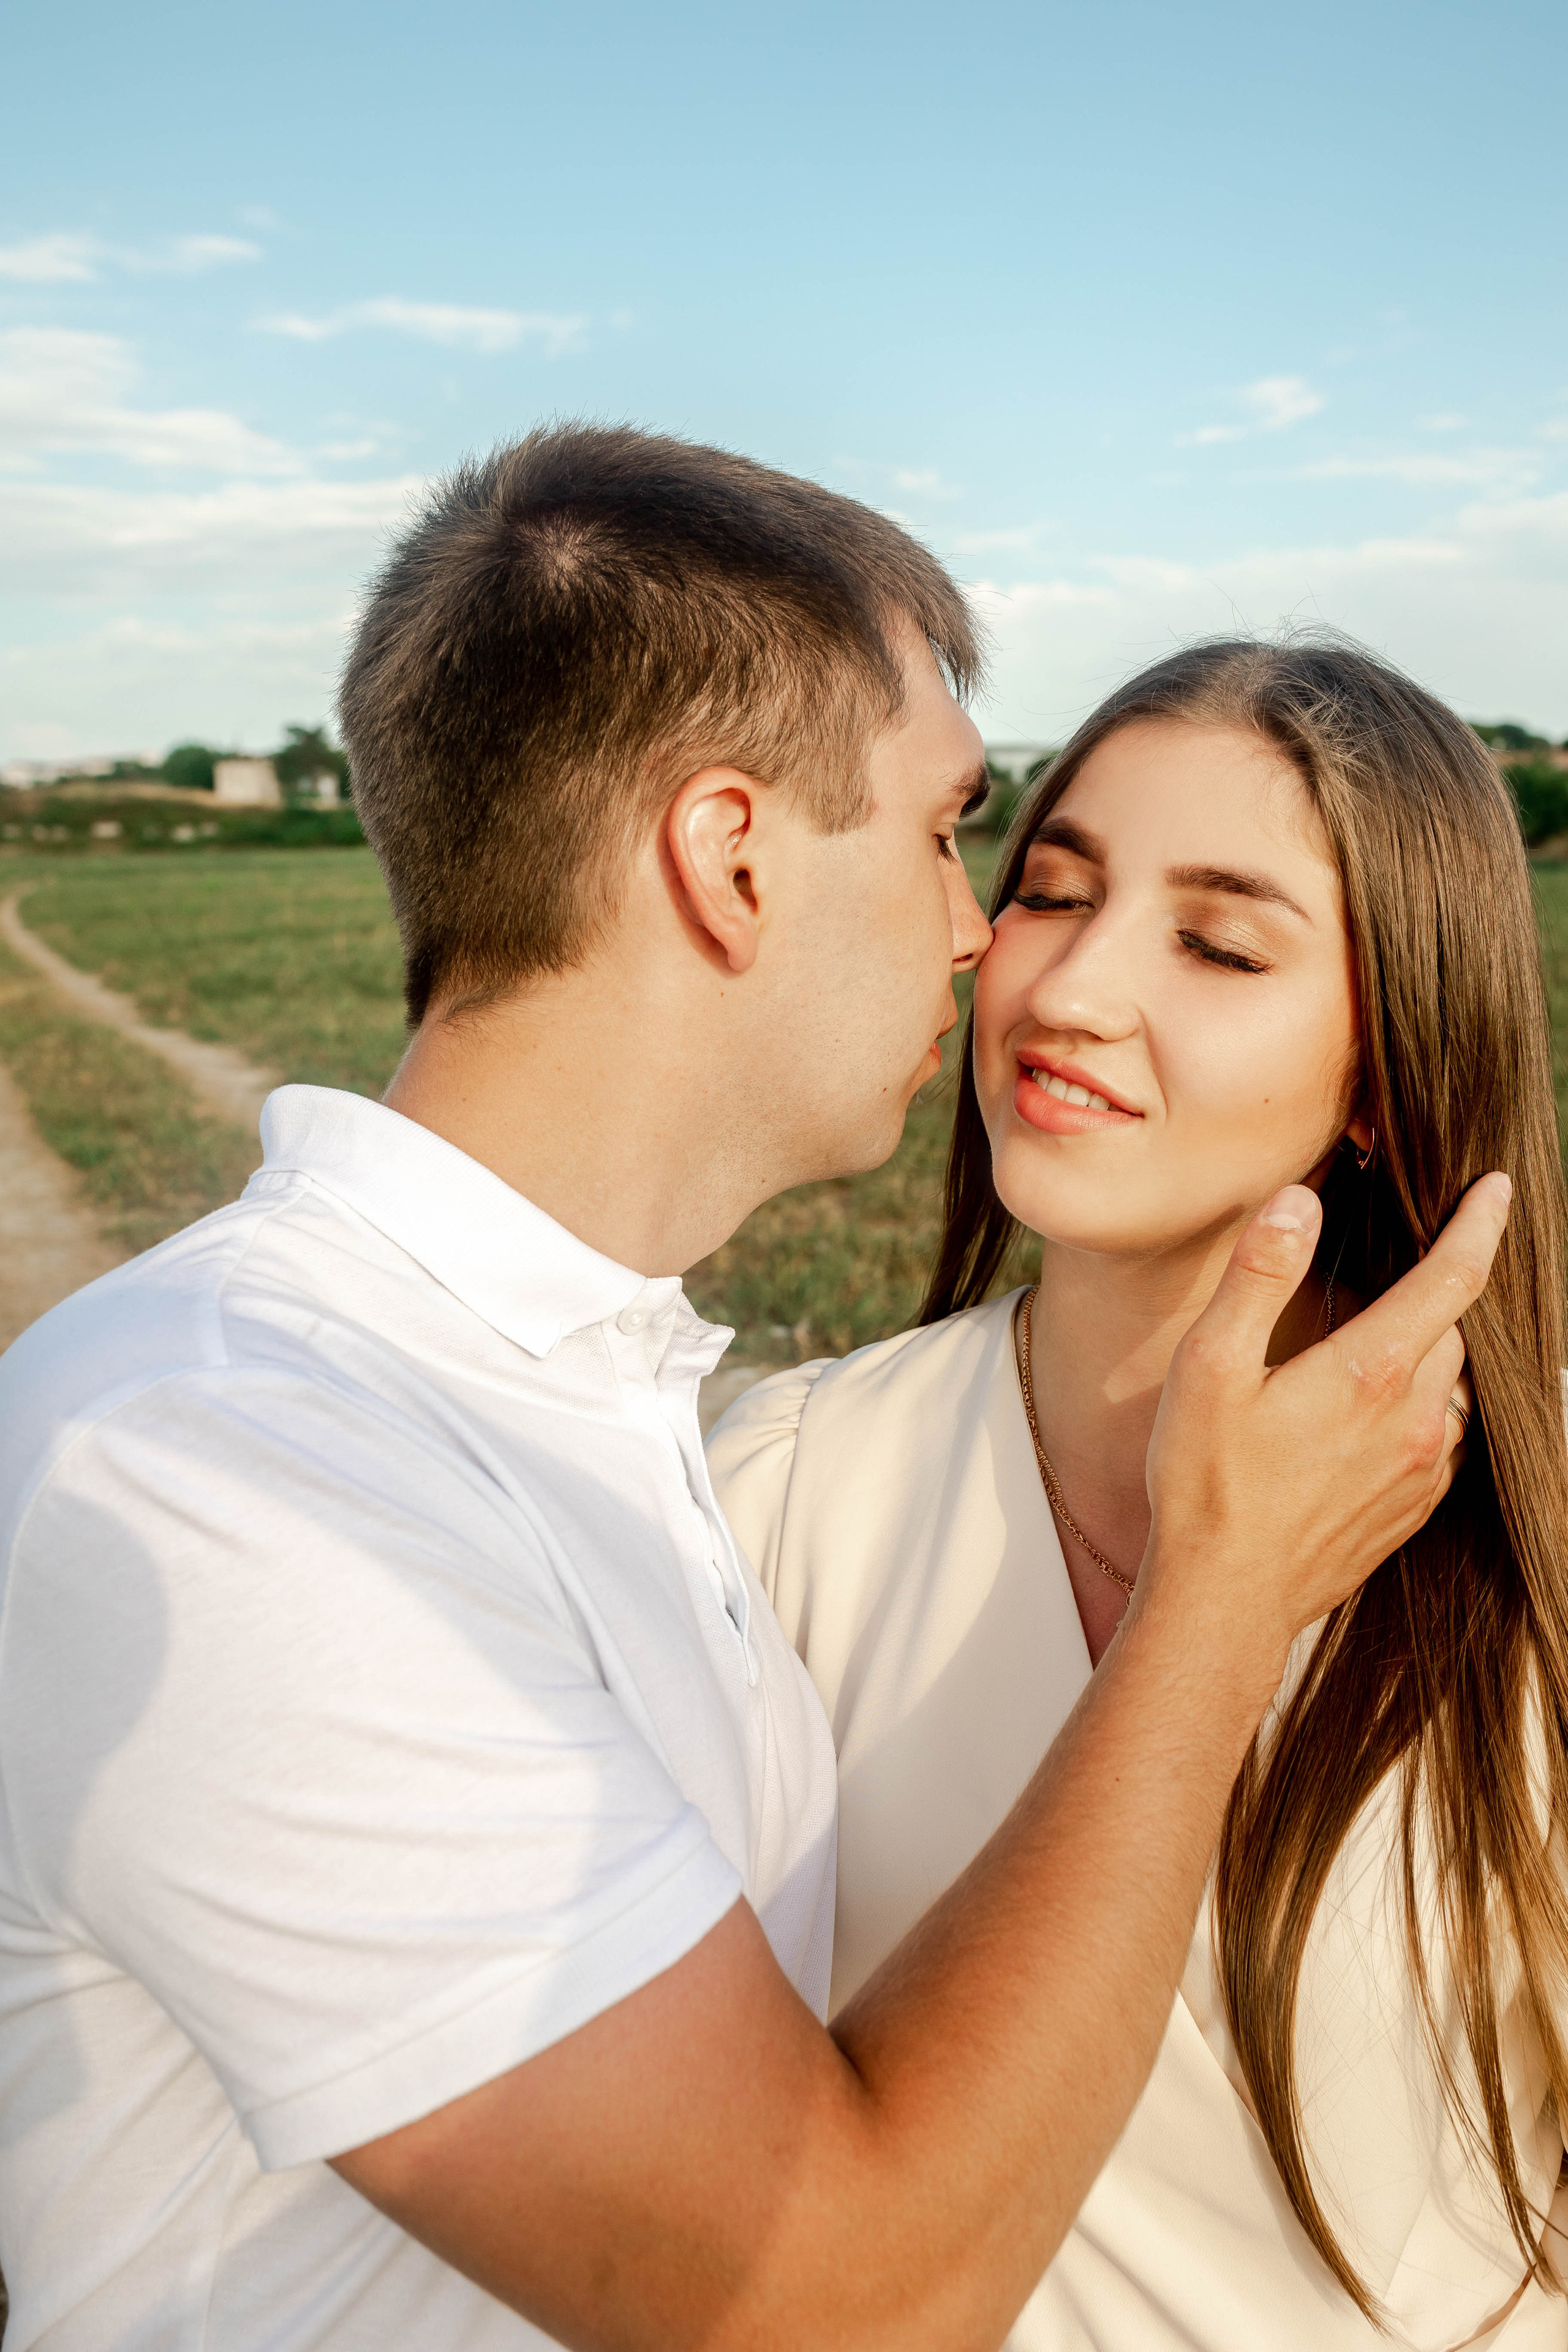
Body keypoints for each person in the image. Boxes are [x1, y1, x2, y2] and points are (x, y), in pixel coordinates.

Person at [0, 438, 1499, 2352]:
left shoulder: (611, 1429)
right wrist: (1219, 1601)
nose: (991, 947)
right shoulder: (229, 1463)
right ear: (728, 858)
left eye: (1213, 938)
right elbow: (827, 2300)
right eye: (965, 840)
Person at [709, 636, 1567, 2351]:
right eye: (1050, 892)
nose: (1072, 990)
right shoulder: (770, 1496)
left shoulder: (1526, 1563)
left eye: (1216, 941)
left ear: (1391, 1076)